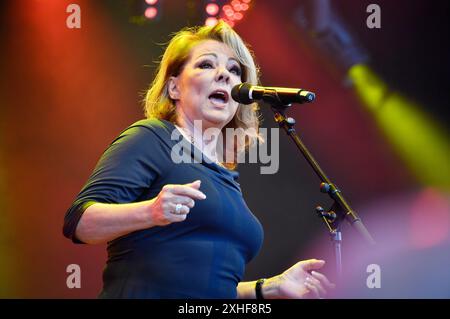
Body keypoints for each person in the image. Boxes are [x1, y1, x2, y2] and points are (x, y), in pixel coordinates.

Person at [63, 20, 334, 299]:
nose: (225, 75)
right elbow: (79, 222)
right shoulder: (152, 137)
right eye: (206, 64)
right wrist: (150, 212)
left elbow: (206, 288)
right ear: (174, 88)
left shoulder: (226, 177)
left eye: (234, 70)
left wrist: (269, 287)